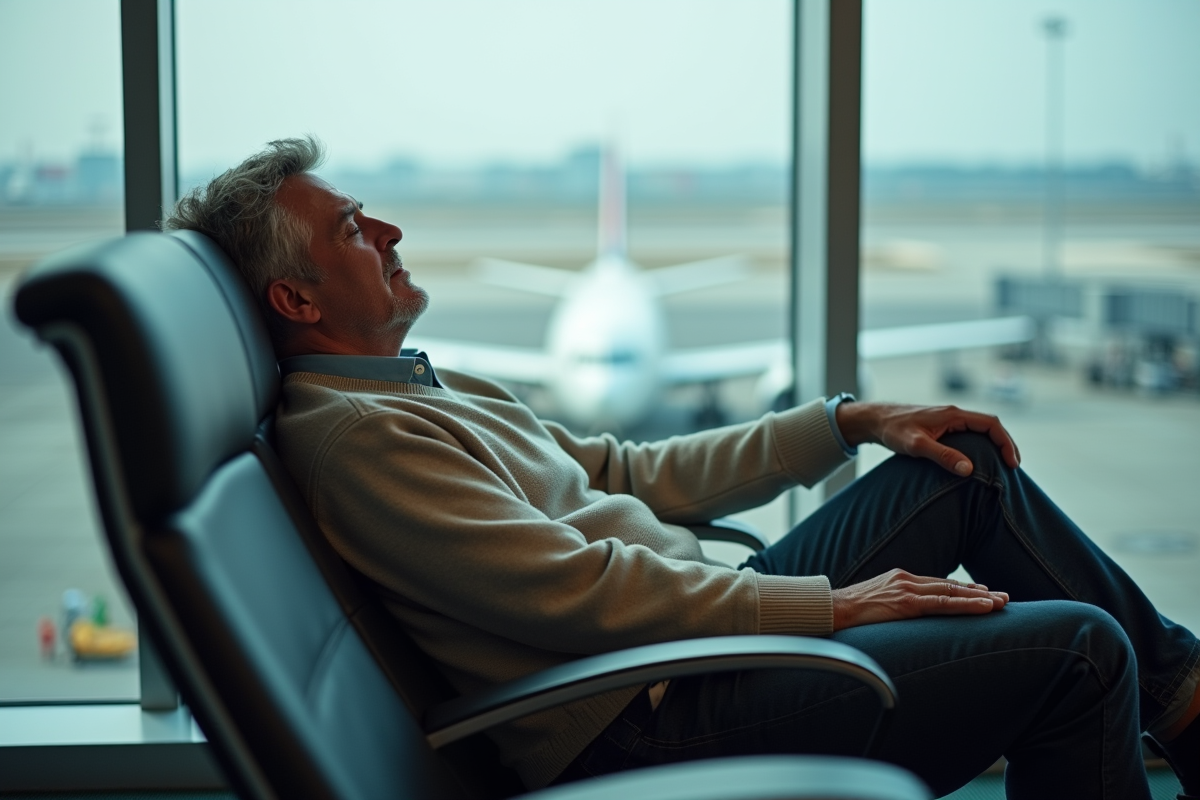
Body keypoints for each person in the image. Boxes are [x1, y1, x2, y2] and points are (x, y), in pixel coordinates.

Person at [164, 137, 1200, 800]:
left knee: (960, 461)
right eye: (351, 227)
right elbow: (580, 593)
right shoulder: (361, 439)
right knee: (1079, 652)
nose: (388, 229)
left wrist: (849, 420)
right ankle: (1171, 691)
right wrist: (834, 607)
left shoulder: (412, 387)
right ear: (297, 303)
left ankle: (1187, 695)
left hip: (694, 644)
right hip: (648, 716)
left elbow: (625, 467)